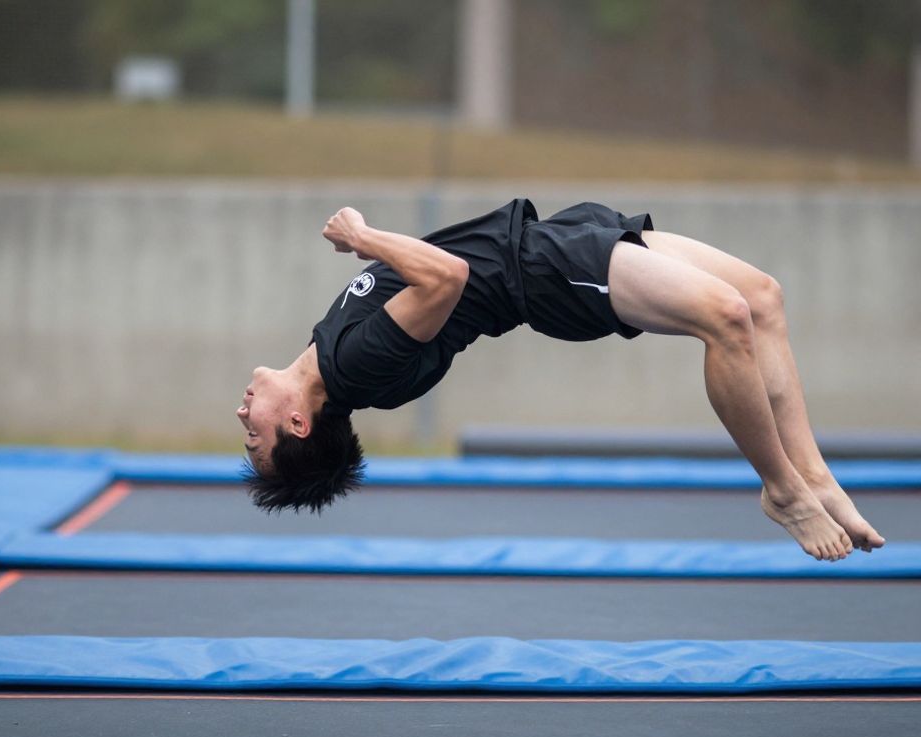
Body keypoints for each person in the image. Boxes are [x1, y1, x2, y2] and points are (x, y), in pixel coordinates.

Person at [237, 199, 885, 561]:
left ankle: (814, 476)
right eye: (255, 442)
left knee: (763, 298)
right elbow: (446, 278)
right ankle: (782, 489)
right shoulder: (355, 367)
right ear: (298, 423)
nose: (243, 420)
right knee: (729, 319)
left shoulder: (331, 354)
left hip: (551, 240)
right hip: (544, 275)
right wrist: (363, 236)